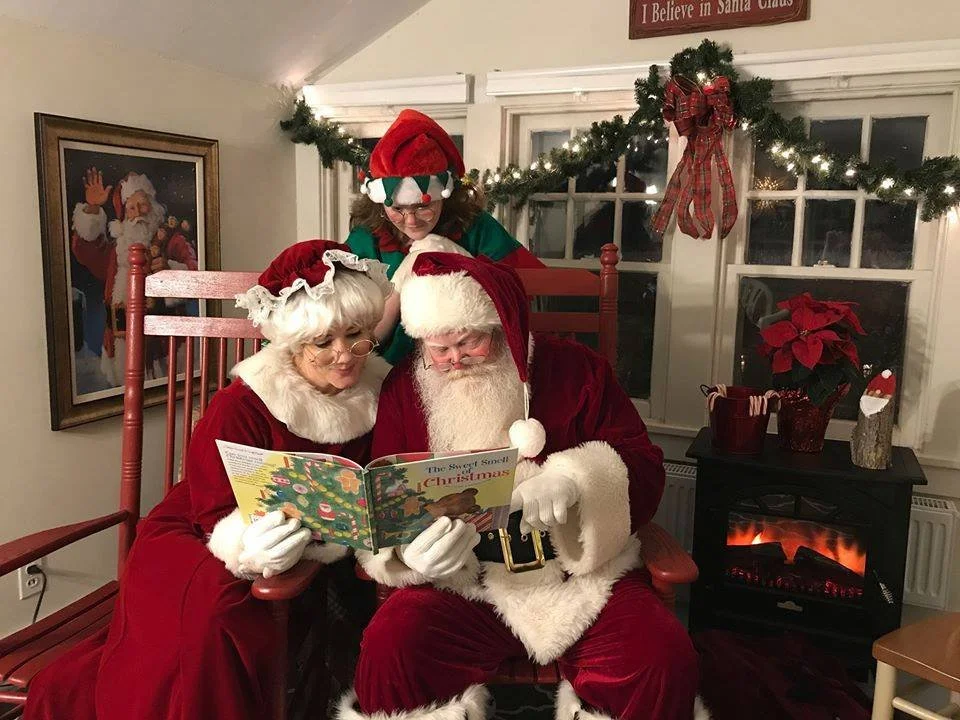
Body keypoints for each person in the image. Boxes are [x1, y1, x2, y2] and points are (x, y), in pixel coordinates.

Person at [23, 240, 393, 720]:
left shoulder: (382, 391)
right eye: (324, 342)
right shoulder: (243, 403)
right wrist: (250, 545)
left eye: (357, 335)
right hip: (204, 535)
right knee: (217, 616)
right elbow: (213, 509)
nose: (345, 355)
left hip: (308, 552)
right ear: (294, 342)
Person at [343, 253, 707, 720]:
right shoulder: (404, 389)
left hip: (581, 580)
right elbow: (383, 490)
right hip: (464, 583)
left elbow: (645, 466)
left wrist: (575, 480)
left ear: (500, 325)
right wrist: (404, 555)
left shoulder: (578, 370)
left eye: (468, 340)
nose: (453, 358)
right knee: (390, 649)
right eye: (437, 348)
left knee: (662, 656)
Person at [346, 108, 543, 364]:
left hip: (467, 361)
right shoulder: (367, 238)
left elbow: (525, 288)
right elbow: (353, 330)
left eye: (423, 207)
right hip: (388, 368)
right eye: (397, 209)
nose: (411, 221)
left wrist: (452, 253)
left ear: (444, 197)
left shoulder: (475, 226)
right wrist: (407, 271)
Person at [71, 168, 199, 385]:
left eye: (143, 204)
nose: (138, 212)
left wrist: (171, 272)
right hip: (119, 346)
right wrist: (92, 208)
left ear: (153, 207)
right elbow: (85, 249)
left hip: (165, 350)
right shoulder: (116, 252)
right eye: (131, 207)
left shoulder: (172, 241)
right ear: (124, 216)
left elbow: (198, 276)